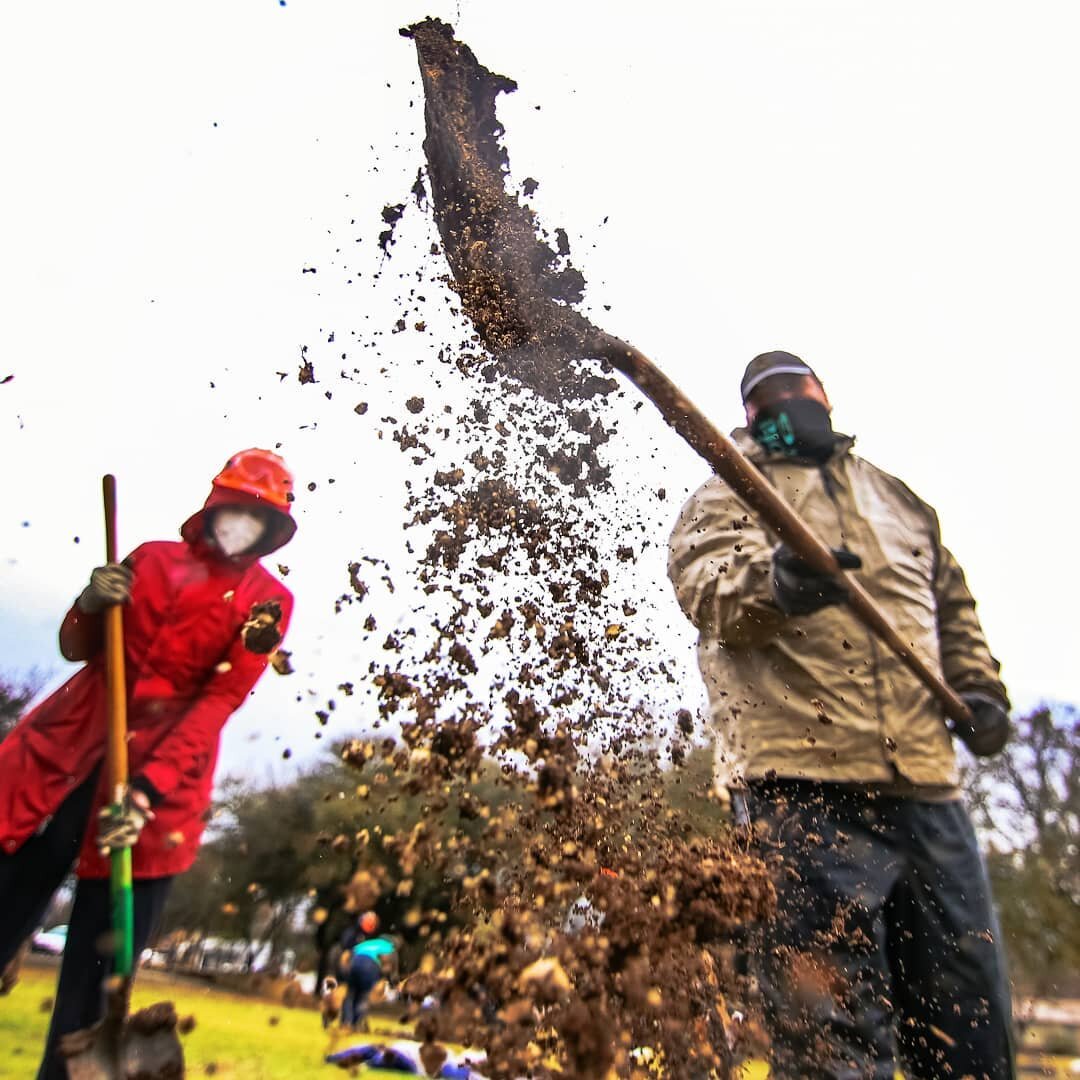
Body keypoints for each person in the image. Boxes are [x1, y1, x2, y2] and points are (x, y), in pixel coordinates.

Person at [668, 352, 1014, 1080]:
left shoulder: (897, 500)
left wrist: (981, 692)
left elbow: (951, 606)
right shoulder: (731, 493)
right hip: (803, 793)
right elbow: (709, 593)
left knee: (970, 1027)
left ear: (824, 395)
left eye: (799, 390)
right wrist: (779, 583)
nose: (790, 404)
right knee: (829, 1038)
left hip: (926, 789)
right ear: (752, 416)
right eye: (770, 399)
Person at [0, 448, 296, 1080]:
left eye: (260, 518)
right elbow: (76, 646)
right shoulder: (151, 558)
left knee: (99, 971)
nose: (244, 525)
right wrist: (89, 601)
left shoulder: (267, 602)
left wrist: (145, 793)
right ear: (214, 506)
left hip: (163, 782)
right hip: (69, 750)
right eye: (236, 509)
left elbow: (218, 698)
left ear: (274, 531)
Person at [339, 911, 396, 1031]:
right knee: (363, 996)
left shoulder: (362, 941)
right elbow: (389, 965)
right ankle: (357, 1023)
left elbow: (345, 956)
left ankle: (346, 1023)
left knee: (351, 995)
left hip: (354, 964)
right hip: (369, 966)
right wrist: (386, 979)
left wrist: (344, 972)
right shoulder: (385, 944)